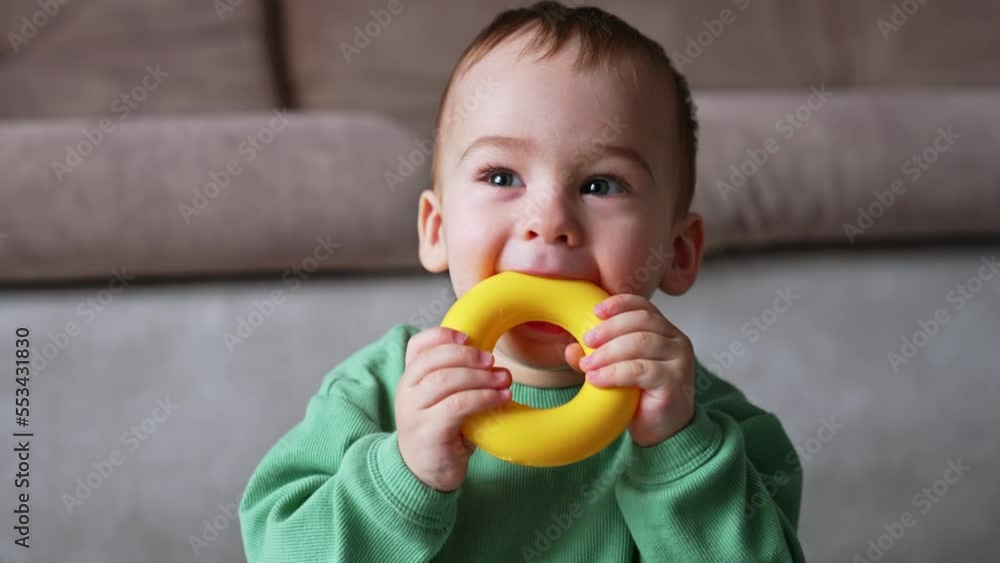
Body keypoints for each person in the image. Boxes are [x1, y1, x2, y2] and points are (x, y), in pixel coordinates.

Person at [240, 2, 805, 561]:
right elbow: (277, 551)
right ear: (437, 230)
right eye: (502, 175)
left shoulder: (717, 427)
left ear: (677, 252)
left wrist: (680, 452)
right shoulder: (376, 392)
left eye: (602, 185)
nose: (548, 221)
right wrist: (402, 477)